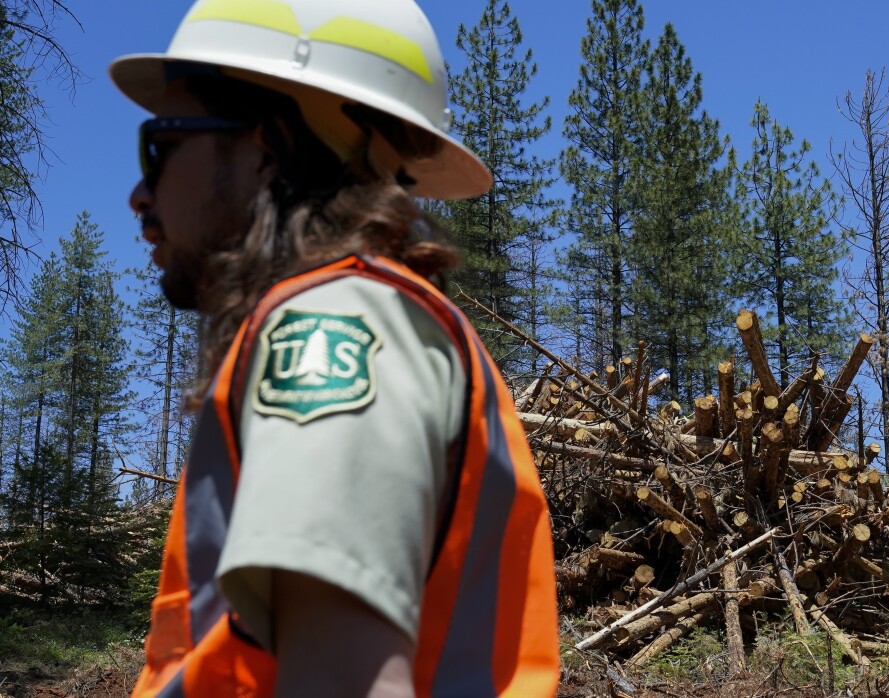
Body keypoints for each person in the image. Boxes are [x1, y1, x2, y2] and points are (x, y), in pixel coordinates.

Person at [111, 1, 560, 696]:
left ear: (268, 148)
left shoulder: (331, 326)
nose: (140, 193)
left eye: (159, 146)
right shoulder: (370, 318)